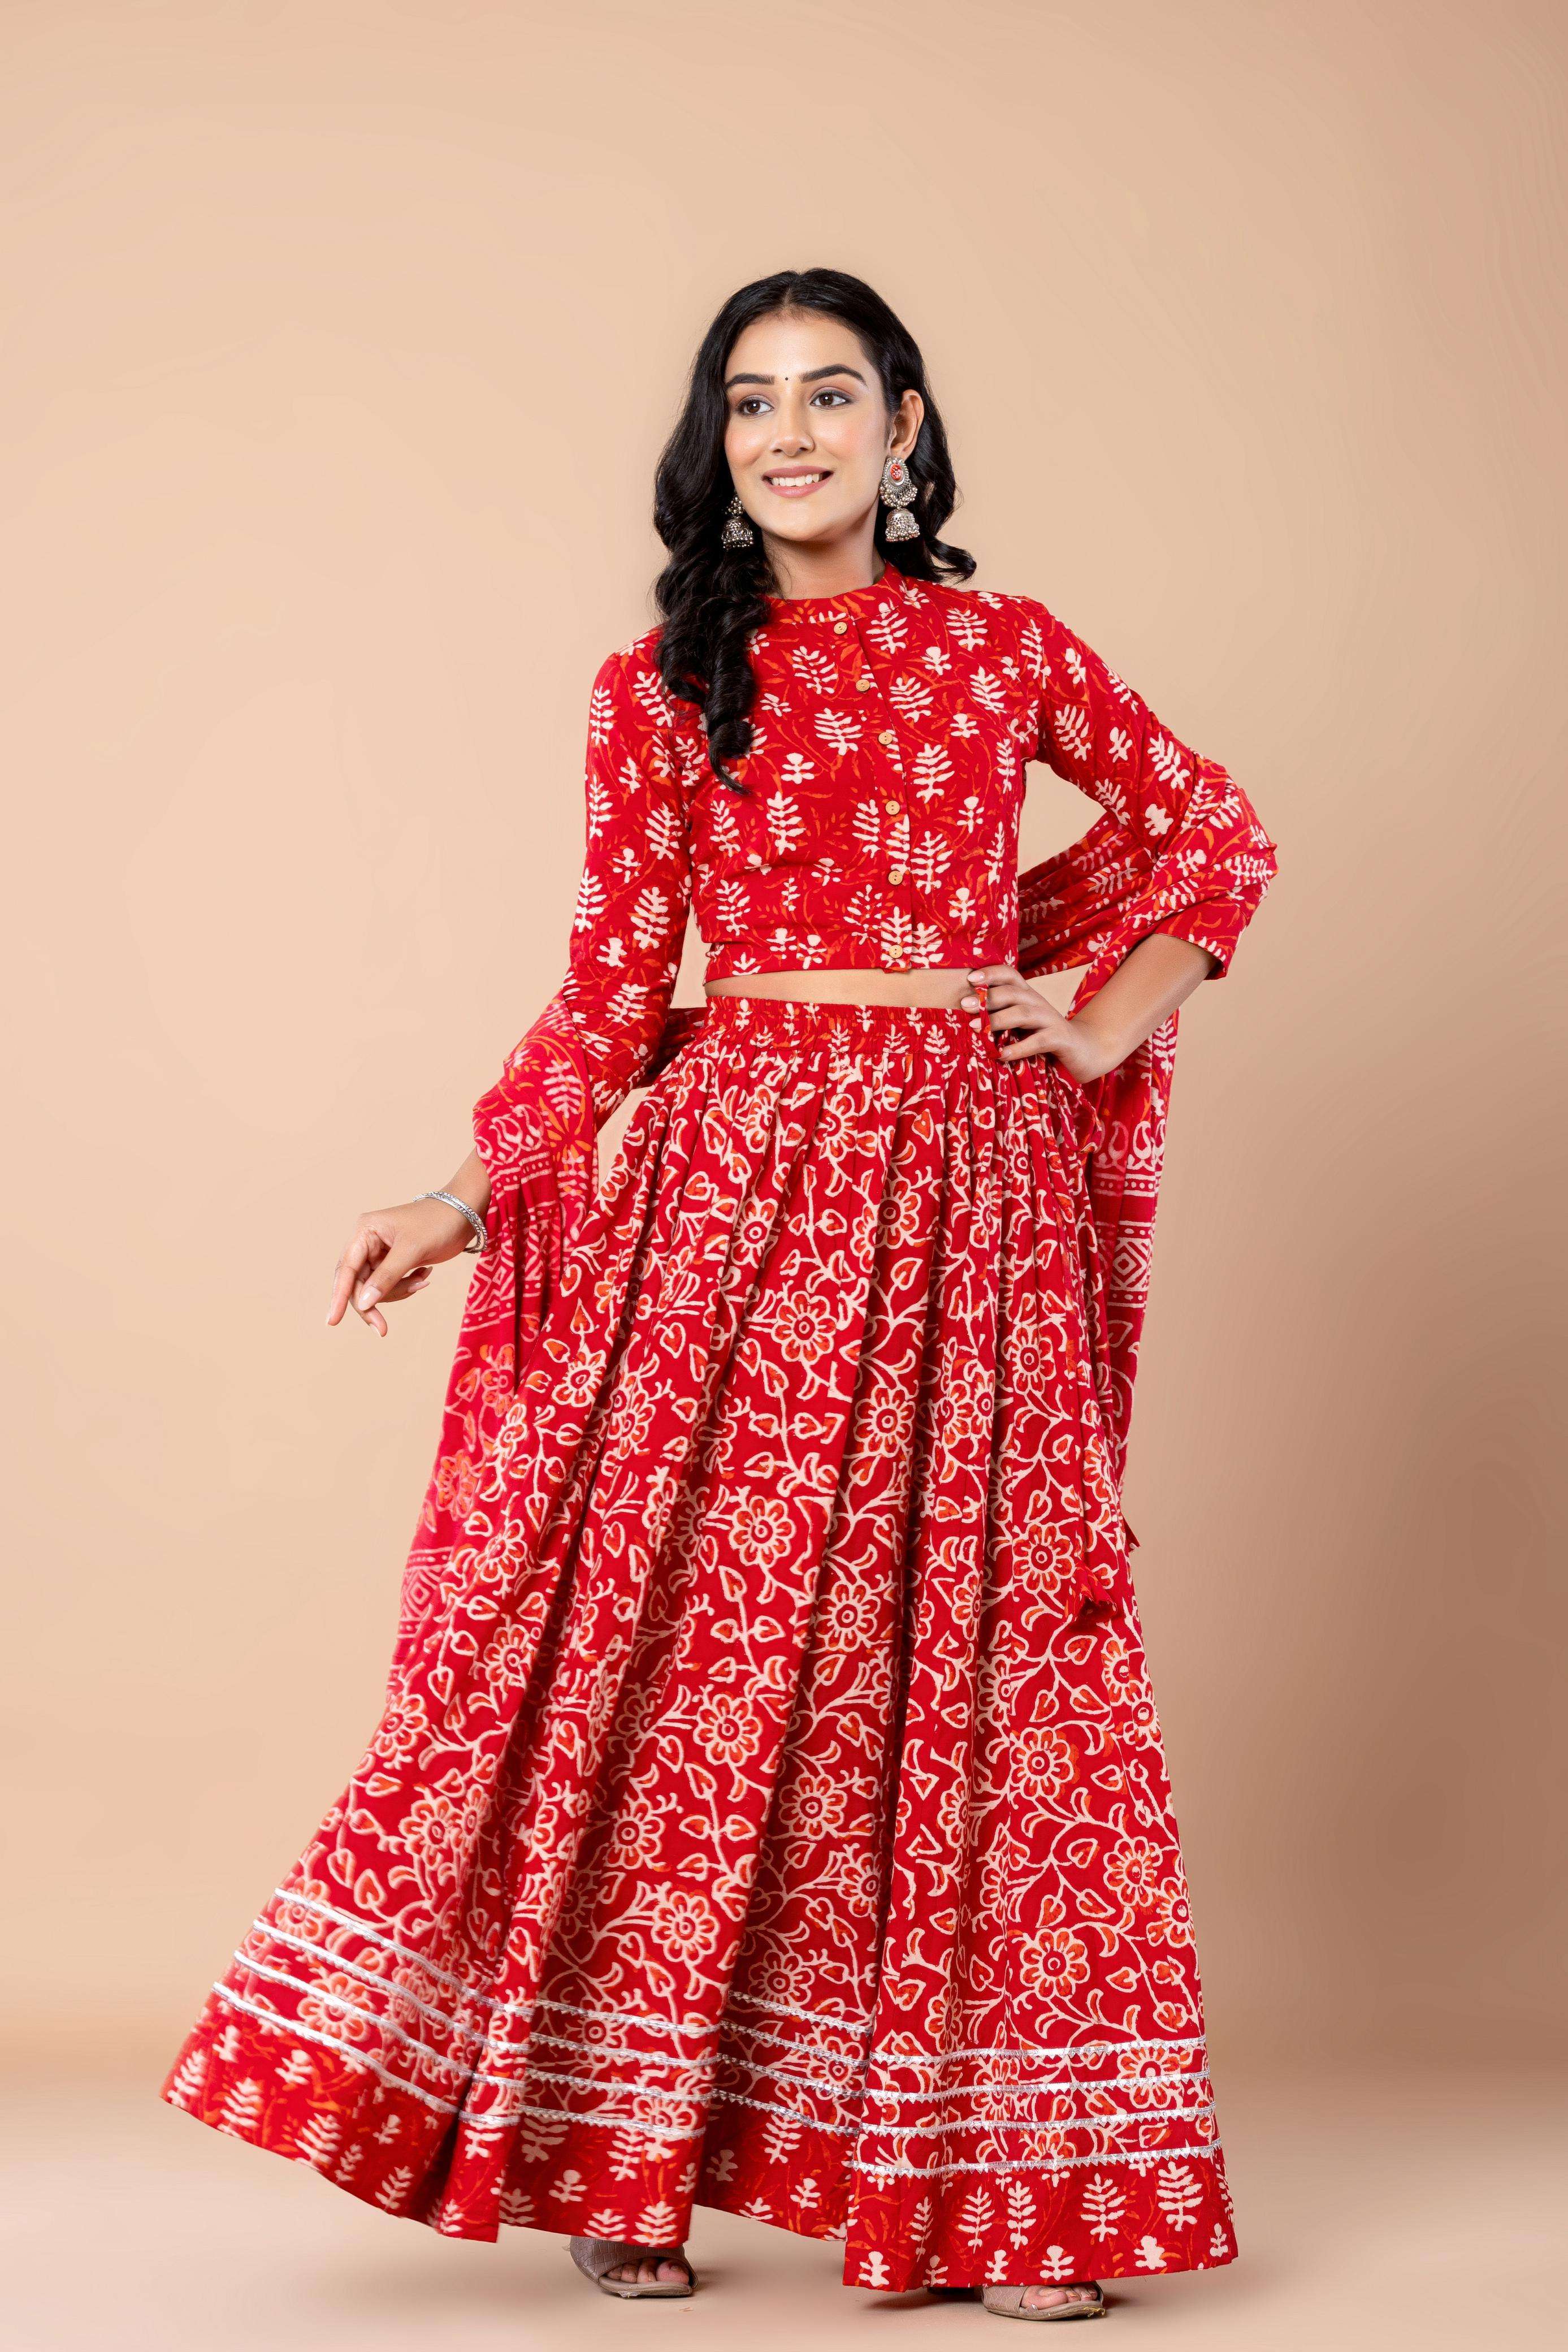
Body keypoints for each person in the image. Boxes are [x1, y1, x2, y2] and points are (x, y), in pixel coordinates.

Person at [162, 269, 1277, 2323]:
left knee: (989, 1661)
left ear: (904, 427)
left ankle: (1008, 2190)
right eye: (752, 403)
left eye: (832, 396)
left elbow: (1213, 830)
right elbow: (609, 1001)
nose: (792, 435)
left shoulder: (1003, 650)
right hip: (735, 1203)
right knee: (687, 1661)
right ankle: (627, 2148)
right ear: (718, 442)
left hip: (968, 1193)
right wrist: (457, 1196)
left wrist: (1109, 1019)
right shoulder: (665, 682)